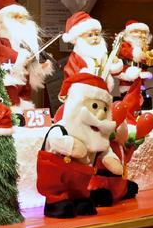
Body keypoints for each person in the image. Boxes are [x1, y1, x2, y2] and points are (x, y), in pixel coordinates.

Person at [37, 73, 118, 218]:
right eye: (94, 106)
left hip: (80, 182)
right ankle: (55, 202)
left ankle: (80, 199)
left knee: (83, 197)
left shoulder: (98, 137)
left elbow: (106, 152)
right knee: (60, 200)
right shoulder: (63, 128)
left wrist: (112, 161)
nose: (100, 114)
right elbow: (55, 140)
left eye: (105, 109)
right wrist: (71, 145)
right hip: (58, 180)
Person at [0, 0, 53, 110]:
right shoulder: (1, 40)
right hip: (6, 80)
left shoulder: (24, 41)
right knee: (8, 96)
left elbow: (30, 60)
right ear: (3, 20)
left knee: (25, 96)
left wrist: (39, 66)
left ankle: (23, 110)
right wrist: (20, 59)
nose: (20, 20)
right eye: (15, 17)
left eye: (22, 17)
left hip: (22, 81)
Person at [62, 11, 122, 93]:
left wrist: (114, 64)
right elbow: (72, 75)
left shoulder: (101, 54)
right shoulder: (76, 58)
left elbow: (111, 71)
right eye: (90, 35)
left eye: (97, 34)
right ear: (78, 38)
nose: (95, 38)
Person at [113, 20, 153, 101]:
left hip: (140, 76)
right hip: (127, 74)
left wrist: (152, 57)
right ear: (128, 33)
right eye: (136, 32)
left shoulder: (144, 47)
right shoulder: (124, 44)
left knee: (140, 93)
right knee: (127, 92)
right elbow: (124, 52)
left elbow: (147, 61)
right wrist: (138, 54)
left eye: (143, 33)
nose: (140, 35)